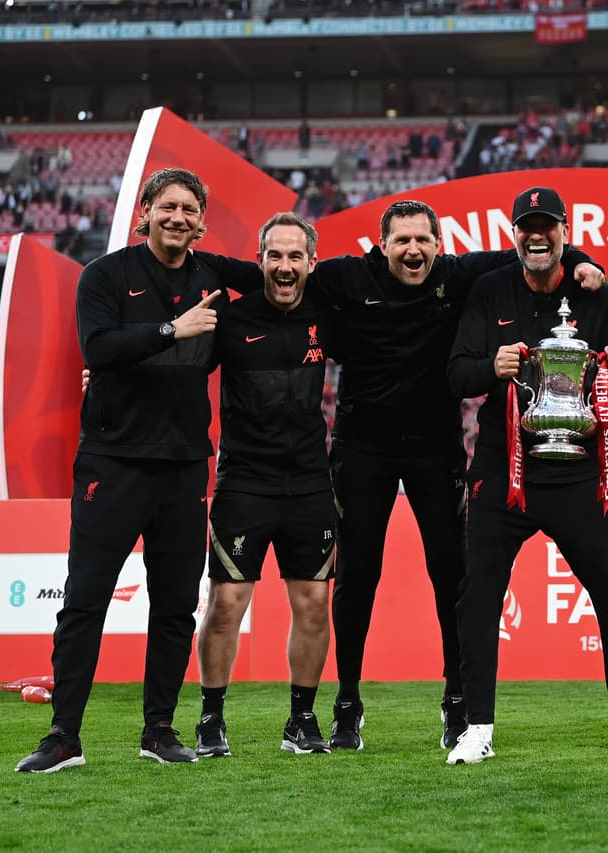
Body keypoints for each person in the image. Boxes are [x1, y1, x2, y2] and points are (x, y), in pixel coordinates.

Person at [198, 199, 606, 752]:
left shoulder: (458, 276)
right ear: (382, 245)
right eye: (402, 241)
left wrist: (580, 259)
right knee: (357, 578)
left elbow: (529, 253)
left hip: (435, 449)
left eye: (423, 240)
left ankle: (457, 701)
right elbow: (266, 271)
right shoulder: (345, 275)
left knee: (451, 577)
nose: (413, 250)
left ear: (438, 246)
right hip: (361, 448)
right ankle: (347, 703)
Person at [17, 168, 230, 773]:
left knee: (173, 607)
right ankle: (63, 737)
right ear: (146, 210)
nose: (178, 217)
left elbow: (278, 280)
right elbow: (98, 348)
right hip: (112, 462)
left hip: (186, 466)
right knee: (84, 600)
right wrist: (172, 329)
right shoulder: (105, 275)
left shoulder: (212, 277)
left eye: (190, 209)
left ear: (201, 219)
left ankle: (159, 731)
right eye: (168, 207)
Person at [445, 186, 608, 764]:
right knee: (479, 596)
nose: (536, 236)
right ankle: (477, 727)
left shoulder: (594, 291)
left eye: (547, 226)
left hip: (580, 472)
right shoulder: (490, 288)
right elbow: (456, 374)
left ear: (565, 232)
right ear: (514, 233)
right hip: (504, 468)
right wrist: (489, 367)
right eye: (526, 227)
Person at [194, 213, 338, 759]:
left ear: (310, 264)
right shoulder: (230, 319)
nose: (284, 265)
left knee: (314, 604)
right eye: (274, 255)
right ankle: (211, 718)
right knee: (227, 602)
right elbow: (182, 369)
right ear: (259, 263)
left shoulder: (327, 314)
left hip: (308, 482)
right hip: (243, 482)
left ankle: (302, 720)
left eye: (294, 256)